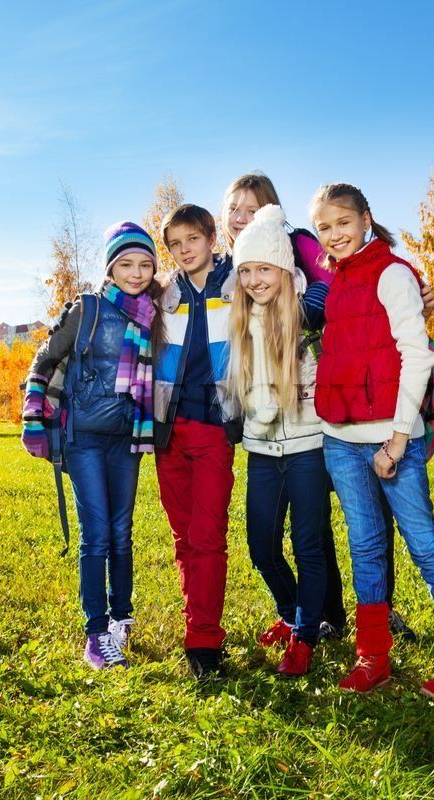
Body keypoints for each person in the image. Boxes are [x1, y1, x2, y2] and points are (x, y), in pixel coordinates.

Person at [219, 172, 434, 643]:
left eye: (251, 210)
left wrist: (305, 311)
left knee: (356, 525)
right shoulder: (228, 272)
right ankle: (319, 614)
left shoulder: (300, 248)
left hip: (331, 417)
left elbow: (341, 293)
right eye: (233, 208)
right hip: (273, 433)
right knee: (305, 535)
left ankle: (376, 612)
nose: (241, 217)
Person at [310, 182, 434, 697]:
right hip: (339, 438)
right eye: (324, 227)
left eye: (342, 222)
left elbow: (418, 356)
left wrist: (398, 439)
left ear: (365, 217)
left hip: (389, 437)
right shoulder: (336, 280)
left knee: (423, 542)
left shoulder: (392, 273)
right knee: (364, 546)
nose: (334, 234)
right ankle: (373, 656)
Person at [21, 221, 162, 670]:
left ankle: (122, 618)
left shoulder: (152, 314)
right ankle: (95, 634)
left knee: (123, 534)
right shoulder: (87, 309)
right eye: (127, 264)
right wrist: (33, 420)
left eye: (145, 264)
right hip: (84, 440)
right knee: (97, 535)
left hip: (126, 439)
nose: (136, 273)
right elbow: (43, 360)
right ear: (110, 268)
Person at [228, 204, 330, 676]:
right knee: (261, 547)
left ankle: (307, 634)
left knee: (308, 545)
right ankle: (290, 612)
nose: (254, 279)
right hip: (262, 451)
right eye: (245, 270)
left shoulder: (310, 316)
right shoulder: (240, 321)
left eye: (264, 268)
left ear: (285, 269)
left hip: (308, 447)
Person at [153, 204, 242, 680]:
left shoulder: (236, 285)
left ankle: (204, 641)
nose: (185, 250)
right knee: (185, 538)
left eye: (193, 239)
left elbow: (296, 284)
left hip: (213, 427)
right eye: (175, 244)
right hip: (169, 431)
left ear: (211, 237)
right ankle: (197, 624)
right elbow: (118, 296)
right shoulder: (164, 295)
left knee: (208, 537)